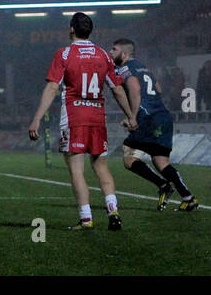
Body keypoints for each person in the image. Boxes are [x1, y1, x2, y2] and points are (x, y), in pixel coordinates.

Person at [28, 12, 138, 231]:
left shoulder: (65, 54)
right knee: (101, 167)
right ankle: (113, 210)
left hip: (74, 118)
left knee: (77, 171)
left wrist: (37, 119)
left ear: (71, 29)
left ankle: (86, 218)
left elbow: (52, 87)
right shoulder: (103, 55)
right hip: (97, 118)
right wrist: (130, 115)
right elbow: (117, 88)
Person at [110, 38, 199, 212]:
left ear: (125, 53)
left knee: (129, 157)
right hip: (163, 116)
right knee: (161, 162)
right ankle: (188, 198)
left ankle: (163, 185)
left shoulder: (125, 69)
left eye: (114, 49)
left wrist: (133, 116)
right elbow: (157, 88)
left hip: (148, 118)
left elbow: (134, 88)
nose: (110, 52)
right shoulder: (144, 67)